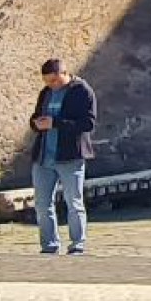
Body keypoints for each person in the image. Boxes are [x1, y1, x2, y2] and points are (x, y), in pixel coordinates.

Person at [28, 59, 98, 255]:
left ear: (65, 73)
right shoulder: (46, 93)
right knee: (42, 204)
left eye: (55, 80)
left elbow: (88, 124)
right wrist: (36, 124)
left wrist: (56, 123)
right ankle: (49, 245)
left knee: (73, 201)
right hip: (43, 157)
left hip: (70, 156)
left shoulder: (82, 91)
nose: (52, 85)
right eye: (47, 81)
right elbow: (35, 117)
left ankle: (77, 244)